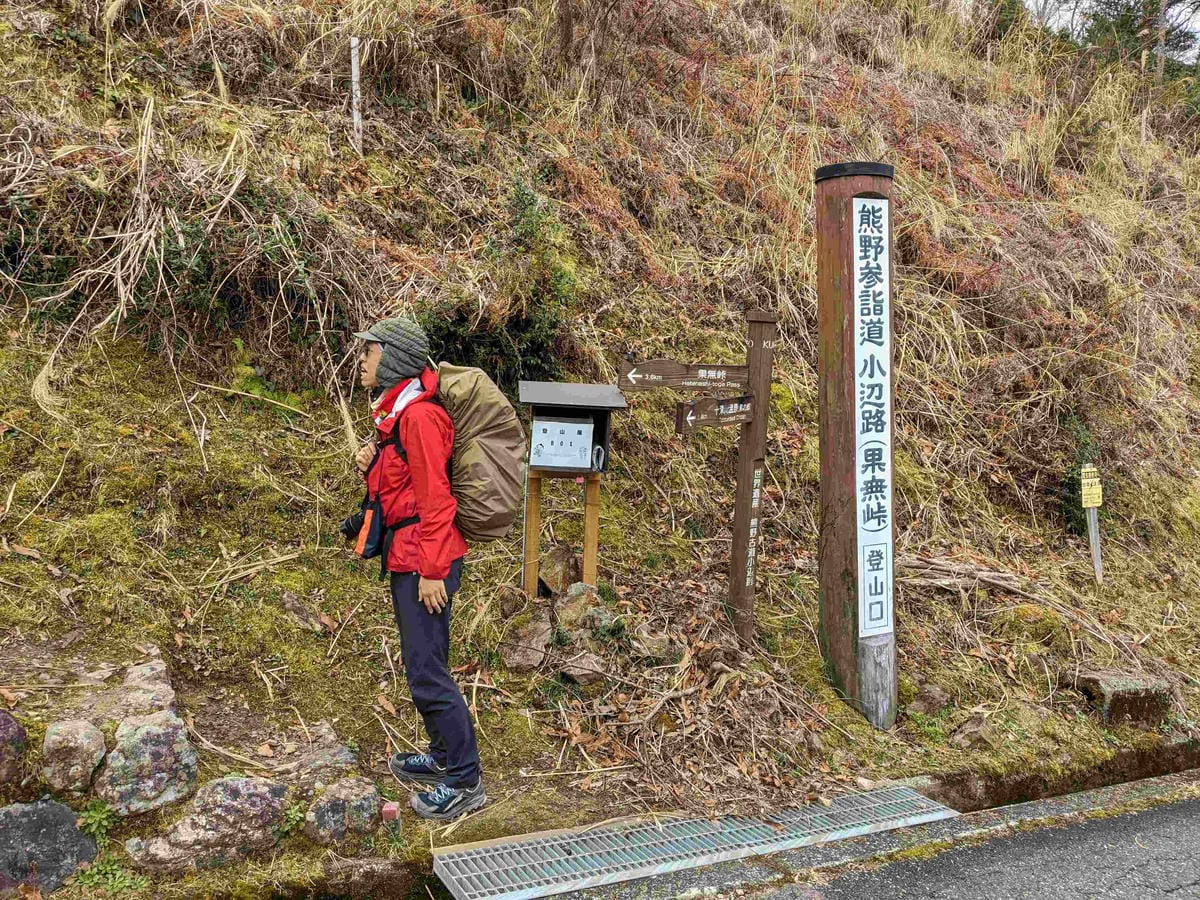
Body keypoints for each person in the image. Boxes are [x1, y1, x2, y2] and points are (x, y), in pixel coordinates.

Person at [352, 316, 486, 821]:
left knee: (429, 673)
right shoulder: (398, 416)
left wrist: (432, 569)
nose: (362, 361)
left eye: (370, 351)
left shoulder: (419, 419)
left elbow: (436, 500)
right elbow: (404, 489)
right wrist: (373, 462)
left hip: (425, 563)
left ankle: (465, 782)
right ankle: (444, 758)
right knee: (421, 667)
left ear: (393, 359)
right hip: (410, 556)